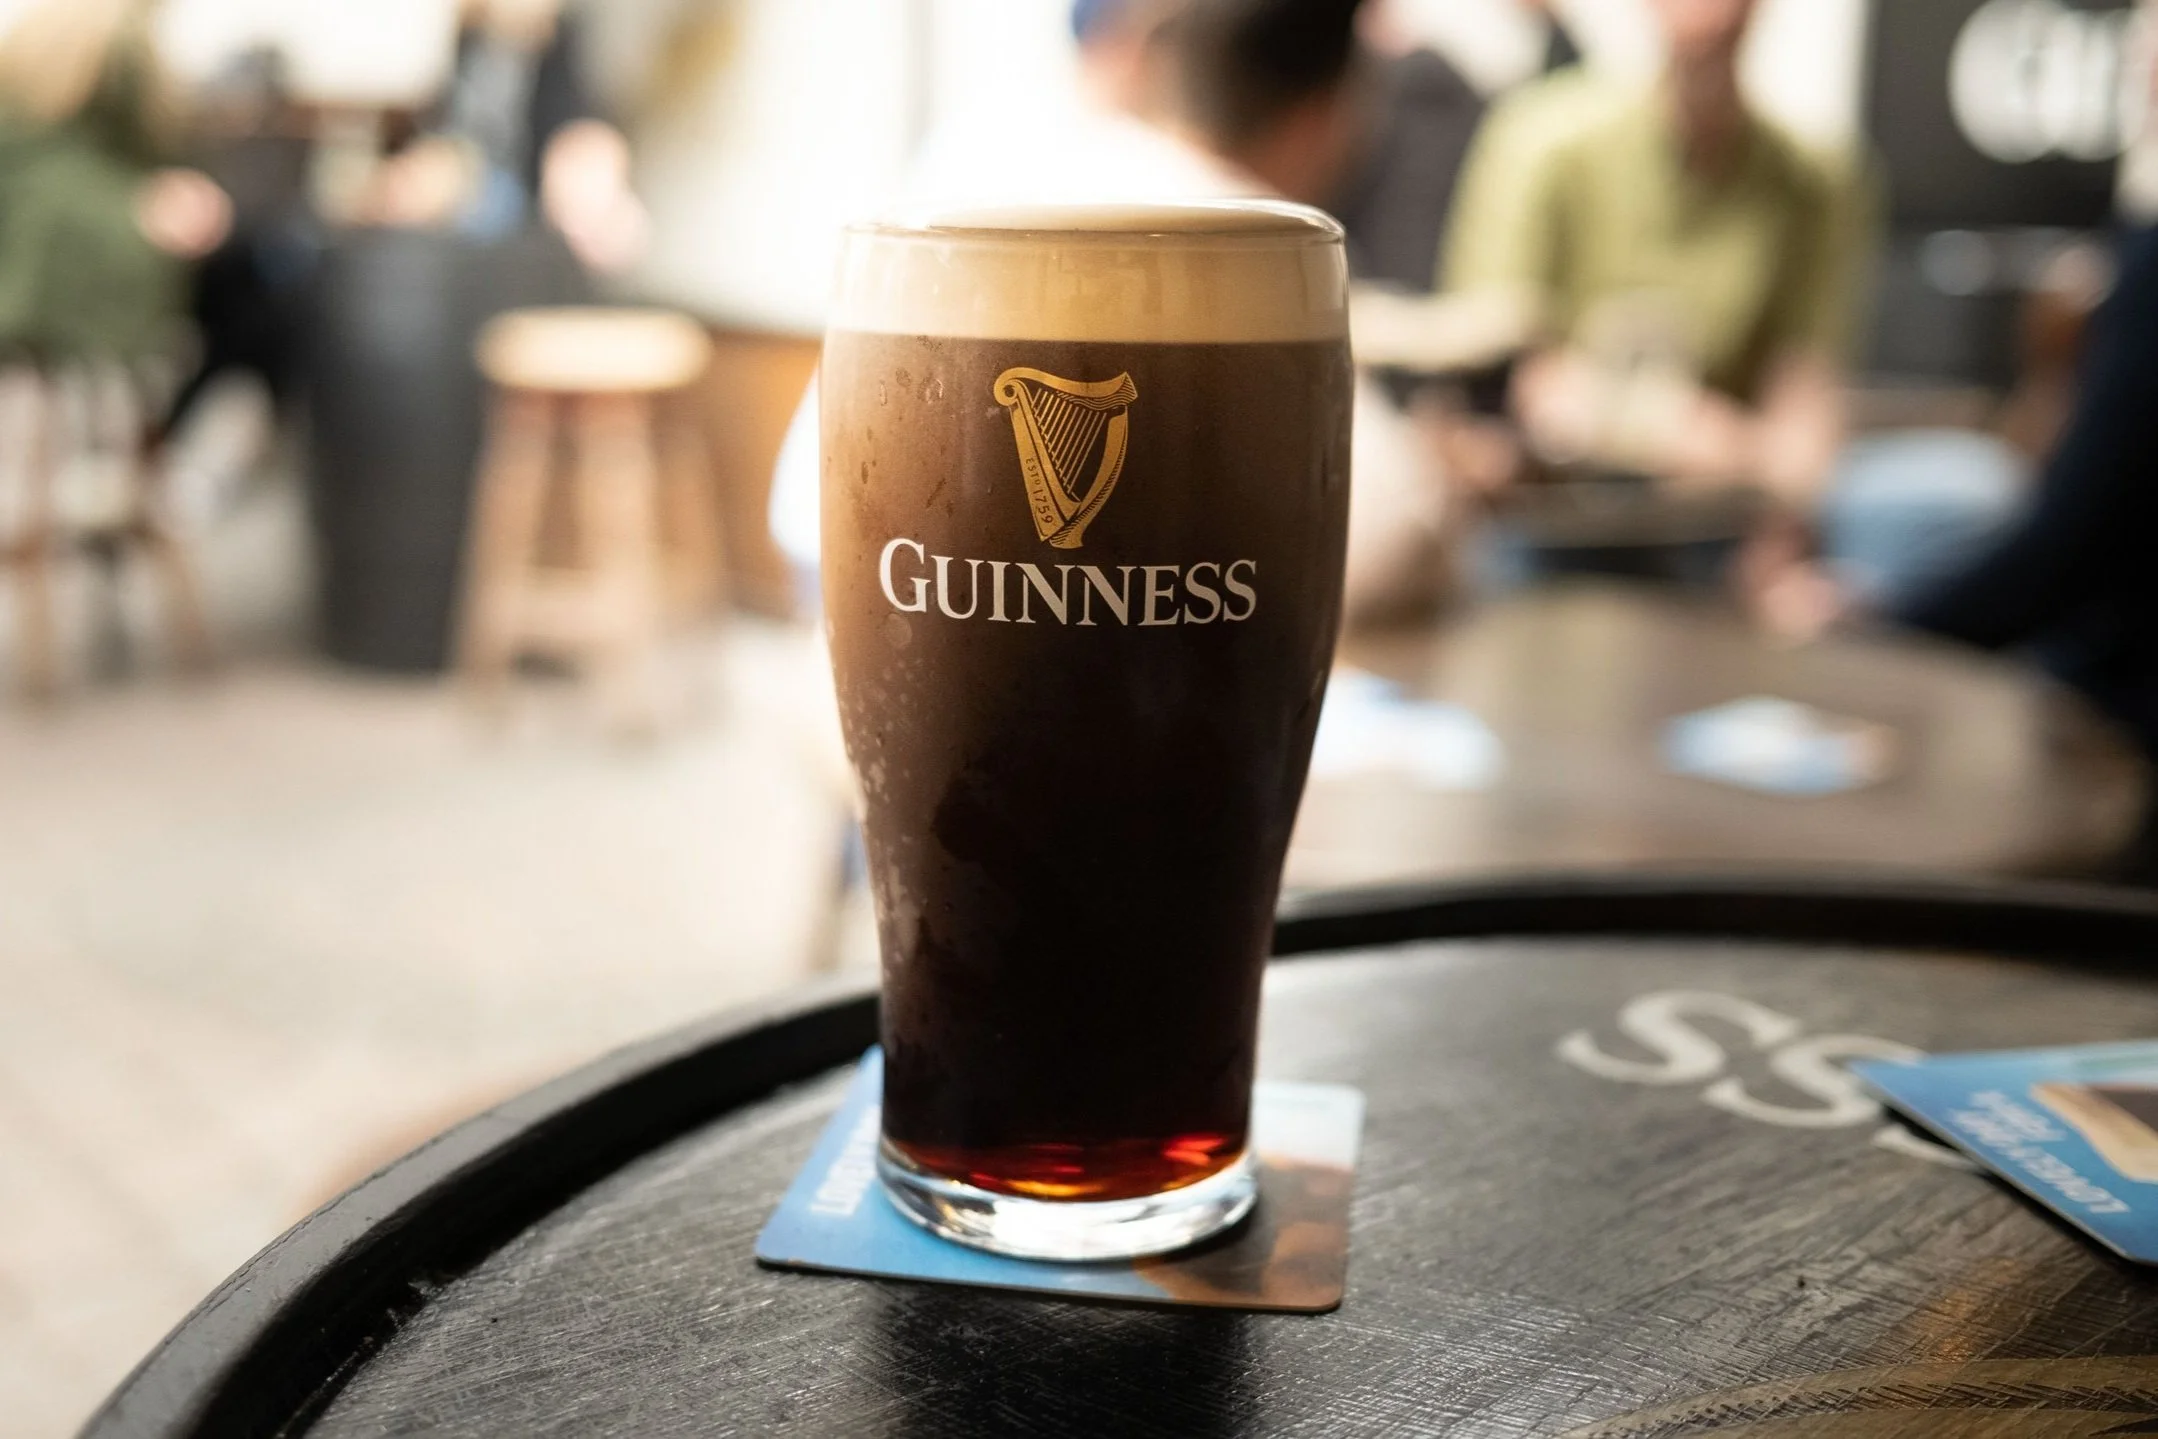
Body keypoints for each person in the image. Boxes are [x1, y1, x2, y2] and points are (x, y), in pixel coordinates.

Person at [1442, 0, 1862, 513]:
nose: (1708, 16)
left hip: (1725, 508)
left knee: (1952, 491)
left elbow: (1805, 393)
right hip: (1560, 503)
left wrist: (1790, 523)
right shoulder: (1542, 139)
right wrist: (1670, 431)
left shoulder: (1813, 178)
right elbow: (1500, 367)